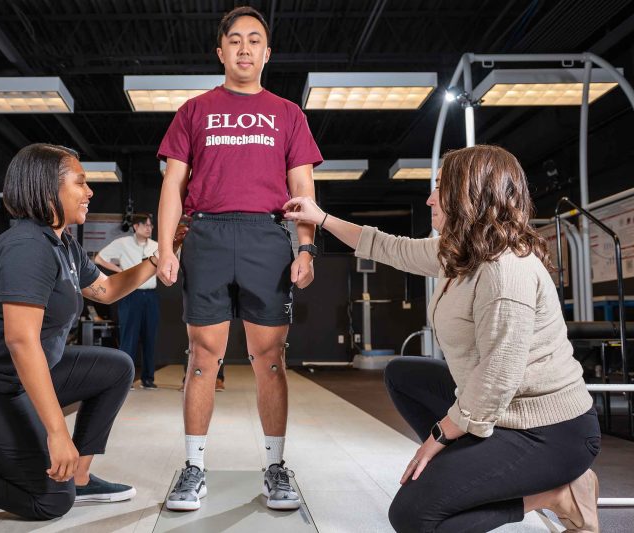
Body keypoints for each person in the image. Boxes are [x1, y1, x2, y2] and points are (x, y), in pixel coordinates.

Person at [283, 144, 601, 532]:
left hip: (548, 432)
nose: (430, 198)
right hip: (501, 411)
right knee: (403, 375)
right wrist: (321, 218)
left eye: (439, 187)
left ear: (470, 195)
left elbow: (496, 381)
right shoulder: (462, 252)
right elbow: (388, 247)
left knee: (414, 516)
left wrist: (439, 437)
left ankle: (558, 495)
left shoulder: (506, 271)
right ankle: (469, 467)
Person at [0, 143, 185, 528]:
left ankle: (80, 477)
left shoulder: (63, 244)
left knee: (116, 367)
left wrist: (159, 257)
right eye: (80, 183)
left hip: (17, 380)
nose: (90, 192)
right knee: (50, 500)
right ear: (47, 188)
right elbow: (21, 341)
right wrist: (58, 432)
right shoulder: (26, 247)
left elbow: (106, 290)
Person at [156, 6, 322, 512]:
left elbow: (303, 188)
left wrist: (306, 247)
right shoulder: (194, 110)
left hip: (265, 237)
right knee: (202, 356)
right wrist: (165, 247)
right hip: (206, 233)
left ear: (267, 53)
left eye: (254, 40)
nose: (244, 48)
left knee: (269, 358)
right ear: (221, 51)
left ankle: (275, 466)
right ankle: (193, 468)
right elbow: (173, 184)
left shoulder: (288, 113)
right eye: (235, 40)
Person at [95, 213, 161, 389]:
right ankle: (125, 379)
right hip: (130, 295)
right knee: (128, 337)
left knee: (150, 337)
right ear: (136, 226)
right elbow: (99, 258)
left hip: (150, 295)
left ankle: (148, 379)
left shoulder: (156, 246)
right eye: (145, 225)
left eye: (151, 225)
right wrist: (121, 272)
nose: (149, 228)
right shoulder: (123, 243)